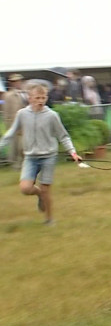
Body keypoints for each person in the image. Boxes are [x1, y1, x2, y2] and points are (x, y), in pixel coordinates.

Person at [0, 84, 82, 226]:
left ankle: (49, 219)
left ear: (46, 98)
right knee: (25, 189)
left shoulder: (52, 116)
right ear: (30, 99)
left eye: (43, 98)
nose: (40, 101)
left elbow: (63, 136)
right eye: (37, 98)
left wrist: (73, 152)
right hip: (30, 157)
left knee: (46, 189)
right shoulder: (22, 114)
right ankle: (39, 195)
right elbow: (11, 132)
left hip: (48, 156)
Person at [2, 74, 28, 169]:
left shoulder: (25, 93)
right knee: (16, 146)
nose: (18, 83)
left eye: (19, 81)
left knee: (25, 145)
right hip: (14, 123)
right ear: (12, 83)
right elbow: (6, 112)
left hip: (26, 122)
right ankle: (16, 164)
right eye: (15, 81)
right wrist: (9, 126)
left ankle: (26, 163)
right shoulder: (8, 95)